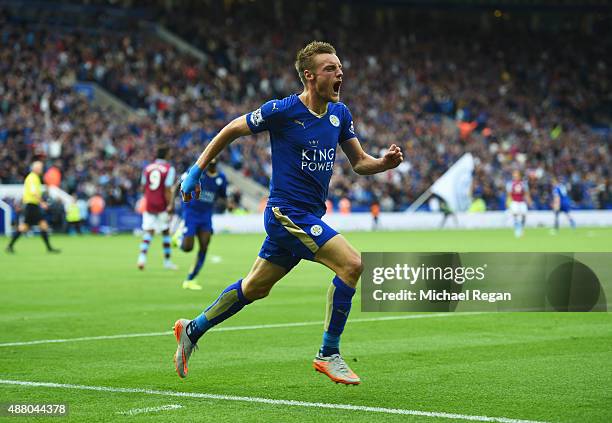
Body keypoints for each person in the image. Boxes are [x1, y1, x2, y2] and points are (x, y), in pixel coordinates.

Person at [173, 41, 403, 385]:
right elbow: (232, 129)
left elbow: (359, 163)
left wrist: (383, 164)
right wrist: (197, 170)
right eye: (331, 69)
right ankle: (328, 353)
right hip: (286, 213)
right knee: (352, 264)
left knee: (254, 288)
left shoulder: (340, 115)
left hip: (309, 216)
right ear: (310, 77)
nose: (340, 73)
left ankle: (192, 329)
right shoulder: (282, 111)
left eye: (340, 67)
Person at [173, 158, 227, 290]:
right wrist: (172, 203)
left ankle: (190, 279)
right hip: (191, 212)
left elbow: (223, 196)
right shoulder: (196, 171)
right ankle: (178, 237)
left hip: (206, 215)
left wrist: (226, 204)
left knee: (204, 245)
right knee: (187, 248)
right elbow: (179, 184)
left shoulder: (221, 178)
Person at [5, 161, 60, 253]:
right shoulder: (32, 178)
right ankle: (49, 248)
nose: (41, 169)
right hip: (32, 206)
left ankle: (10, 246)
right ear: (36, 168)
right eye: (40, 167)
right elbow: (33, 192)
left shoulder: (33, 178)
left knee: (30, 226)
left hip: (31, 205)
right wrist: (42, 202)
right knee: (37, 225)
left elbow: (27, 192)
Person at [137, 146, 178, 270]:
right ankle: (167, 262)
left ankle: (141, 258)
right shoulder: (168, 169)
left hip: (149, 203)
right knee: (165, 232)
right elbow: (167, 189)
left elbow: (142, 187)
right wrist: (170, 204)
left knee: (149, 231)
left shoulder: (147, 168)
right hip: (162, 204)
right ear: (166, 154)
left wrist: (149, 197)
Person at [506, 170, 532, 238]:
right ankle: (517, 229)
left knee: (524, 215)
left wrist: (529, 201)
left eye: (517, 175)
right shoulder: (510, 184)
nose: (515, 177)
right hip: (514, 201)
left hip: (522, 201)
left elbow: (526, 194)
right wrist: (508, 202)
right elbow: (509, 195)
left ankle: (522, 228)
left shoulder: (523, 184)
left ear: (519, 176)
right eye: (514, 175)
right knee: (515, 215)